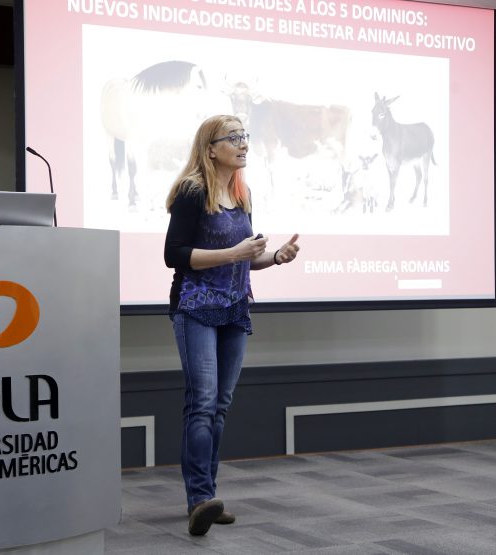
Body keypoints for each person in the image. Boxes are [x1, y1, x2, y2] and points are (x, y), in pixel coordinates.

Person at [163, 114, 300, 536]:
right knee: (202, 403)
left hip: (235, 308)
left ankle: (208, 496)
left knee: (220, 406)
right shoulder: (192, 192)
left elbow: (246, 258)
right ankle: (199, 499)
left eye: (245, 136)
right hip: (196, 306)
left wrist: (274, 257)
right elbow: (174, 255)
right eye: (233, 138)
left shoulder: (242, 193)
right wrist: (234, 253)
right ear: (210, 149)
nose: (243, 144)